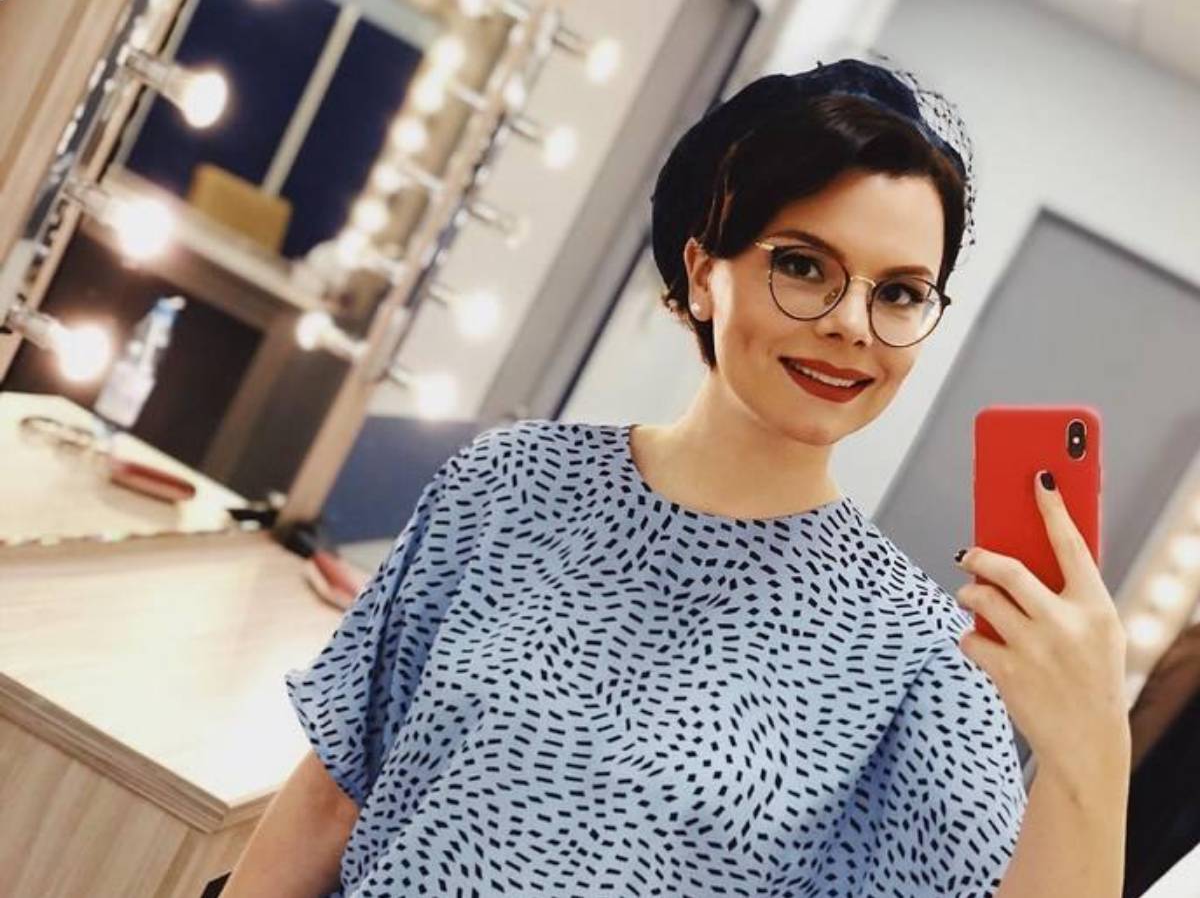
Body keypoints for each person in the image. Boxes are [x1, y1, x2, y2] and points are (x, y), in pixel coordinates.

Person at [223, 57, 1130, 897]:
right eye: (803, 266)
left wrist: (1092, 751)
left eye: (898, 292)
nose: (852, 324)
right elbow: (331, 799)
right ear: (703, 273)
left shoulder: (917, 655)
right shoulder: (508, 485)